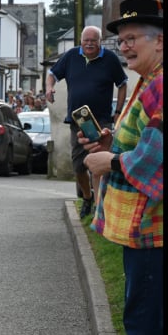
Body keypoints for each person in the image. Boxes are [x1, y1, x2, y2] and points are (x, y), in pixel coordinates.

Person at [80, 0, 163, 335]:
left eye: (132, 39)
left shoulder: (161, 84)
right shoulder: (147, 82)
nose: (124, 47)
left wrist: (108, 161)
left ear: (160, 41)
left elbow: (156, 159)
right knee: (147, 319)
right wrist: (110, 140)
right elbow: (142, 140)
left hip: (154, 232)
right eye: (122, 40)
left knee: (147, 323)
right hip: (145, 231)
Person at [45, 25, 128, 218]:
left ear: (100, 42)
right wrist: (49, 88)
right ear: (81, 40)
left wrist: (118, 111)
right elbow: (52, 75)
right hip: (79, 119)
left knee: (100, 163)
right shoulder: (71, 56)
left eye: (93, 41)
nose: (89, 44)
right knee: (79, 166)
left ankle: (102, 208)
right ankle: (87, 198)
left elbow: (122, 84)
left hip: (102, 120)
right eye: (86, 40)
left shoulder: (110, 59)